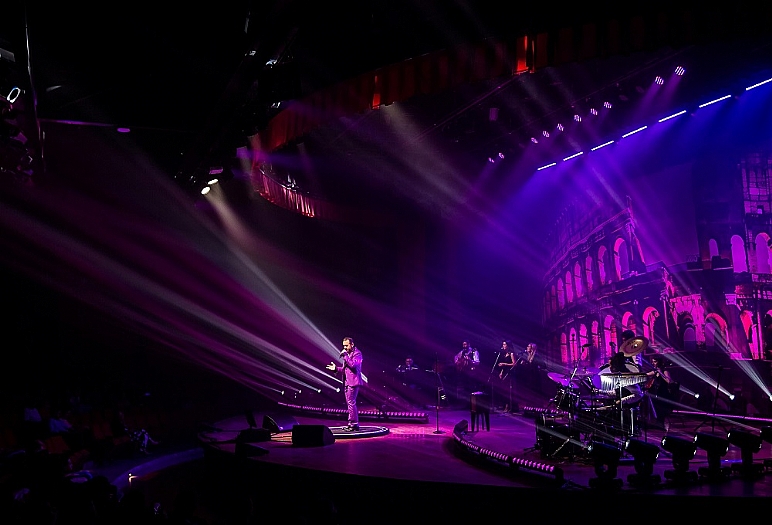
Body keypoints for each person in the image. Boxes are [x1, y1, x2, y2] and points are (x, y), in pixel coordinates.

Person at [326, 336, 364, 431]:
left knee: (351, 403)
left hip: (353, 382)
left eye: (346, 345)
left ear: (352, 344)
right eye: (344, 346)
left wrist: (345, 356)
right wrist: (336, 369)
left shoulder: (357, 353)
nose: (345, 348)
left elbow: (353, 365)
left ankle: (354, 424)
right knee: (349, 403)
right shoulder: (348, 354)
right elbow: (345, 370)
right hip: (347, 382)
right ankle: (351, 423)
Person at [643, 354, 678, 428]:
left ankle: (660, 424)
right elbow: (647, 374)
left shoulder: (665, 371)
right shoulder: (655, 371)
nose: (653, 363)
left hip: (663, 393)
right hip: (656, 393)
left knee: (660, 408)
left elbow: (669, 381)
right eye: (652, 362)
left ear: (659, 362)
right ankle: (654, 422)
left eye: (655, 362)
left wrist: (661, 373)